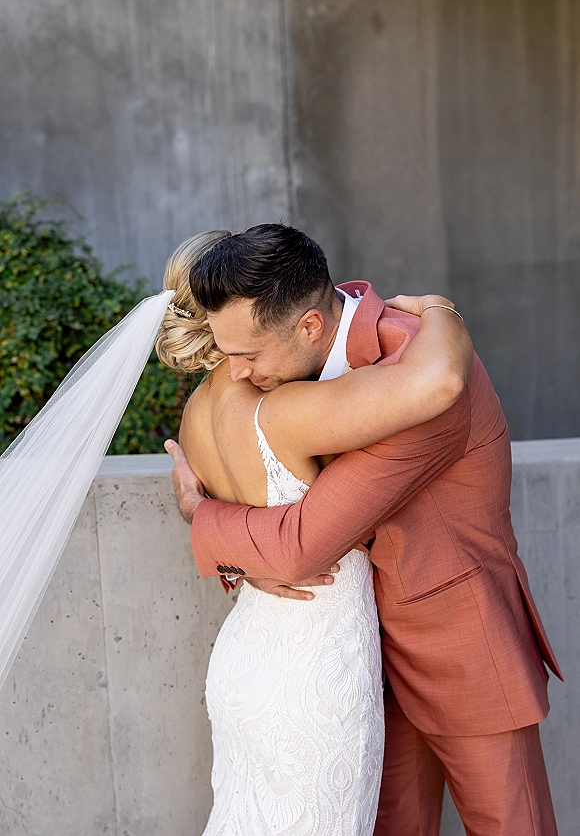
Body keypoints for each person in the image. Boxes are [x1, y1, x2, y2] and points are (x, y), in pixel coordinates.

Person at [167, 224, 562, 836]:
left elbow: (301, 544)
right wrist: (236, 554)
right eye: (228, 354)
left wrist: (202, 516)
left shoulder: (420, 371)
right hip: (352, 663)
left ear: (309, 326)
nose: (236, 374)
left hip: (458, 644)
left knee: (510, 826)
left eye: (248, 354)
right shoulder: (287, 366)